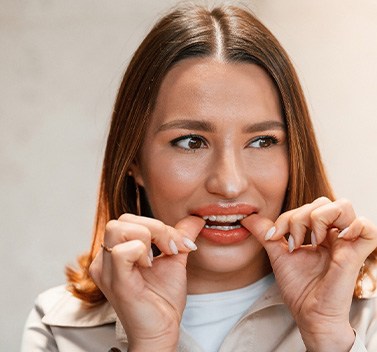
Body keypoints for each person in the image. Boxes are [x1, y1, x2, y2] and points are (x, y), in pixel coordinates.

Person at [21, 4, 377, 352]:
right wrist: (151, 345)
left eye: (262, 141)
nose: (229, 183)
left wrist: (330, 337)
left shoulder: (365, 317)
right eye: (191, 142)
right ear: (134, 161)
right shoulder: (57, 329)